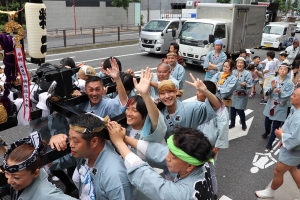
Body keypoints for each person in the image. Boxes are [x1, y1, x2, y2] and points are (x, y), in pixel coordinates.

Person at [107, 122, 215, 200]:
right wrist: (124, 138)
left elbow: (147, 178)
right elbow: (158, 151)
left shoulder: (182, 194)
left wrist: (119, 143)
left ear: (190, 166)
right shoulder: (201, 160)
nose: (166, 157)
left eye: (173, 156)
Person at [49, 113, 133, 200]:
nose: (71, 144)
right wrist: (53, 143)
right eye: (69, 139)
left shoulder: (114, 176)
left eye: (75, 141)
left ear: (94, 141)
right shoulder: (85, 153)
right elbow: (57, 162)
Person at [0, 132, 76, 200]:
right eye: (6, 173)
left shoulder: (47, 195)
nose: (9, 181)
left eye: (16, 177)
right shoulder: (23, 181)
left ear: (36, 173)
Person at [255, 88, 300, 199]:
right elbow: (288, 123)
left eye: (294, 95)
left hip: (293, 151)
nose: (291, 96)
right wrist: (282, 139)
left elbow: (297, 139)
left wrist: (282, 136)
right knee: (293, 169)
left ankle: (270, 192)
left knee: (278, 171)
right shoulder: (295, 109)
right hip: (290, 148)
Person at [157, 73, 222, 139]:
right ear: (159, 96)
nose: (167, 96)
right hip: (169, 148)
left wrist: (205, 91)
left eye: (170, 92)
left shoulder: (191, 108)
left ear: (176, 91)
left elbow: (216, 106)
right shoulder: (158, 112)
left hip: (189, 148)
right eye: (163, 93)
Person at [197, 81, 229, 200]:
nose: (196, 94)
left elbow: (223, 131)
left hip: (209, 146)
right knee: (200, 169)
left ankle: (214, 193)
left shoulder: (220, 111)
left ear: (206, 94)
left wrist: (216, 148)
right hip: (199, 143)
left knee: (210, 170)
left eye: (199, 91)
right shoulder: (203, 105)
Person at [125, 67, 167, 143]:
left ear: (145, 114)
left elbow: (156, 121)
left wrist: (145, 94)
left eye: (134, 110)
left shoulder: (150, 132)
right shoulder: (125, 129)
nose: (129, 113)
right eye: (127, 109)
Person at [261, 64, 294, 151]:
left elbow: (288, 95)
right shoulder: (273, 79)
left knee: (276, 126)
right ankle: (267, 131)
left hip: (280, 106)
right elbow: (266, 91)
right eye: (281, 69)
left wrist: (280, 92)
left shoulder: (290, 83)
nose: (282, 71)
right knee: (267, 122)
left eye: (285, 69)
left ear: (288, 72)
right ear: (278, 70)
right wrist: (271, 87)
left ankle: (270, 143)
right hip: (270, 104)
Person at [229, 57, 252, 131]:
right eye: (238, 63)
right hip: (233, 94)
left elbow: (249, 84)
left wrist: (245, 85)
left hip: (242, 95)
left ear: (244, 64)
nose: (239, 64)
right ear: (236, 64)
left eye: (241, 63)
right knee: (232, 109)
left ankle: (243, 123)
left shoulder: (247, 73)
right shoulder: (233, 72)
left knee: (240, 110)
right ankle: (232, 123)